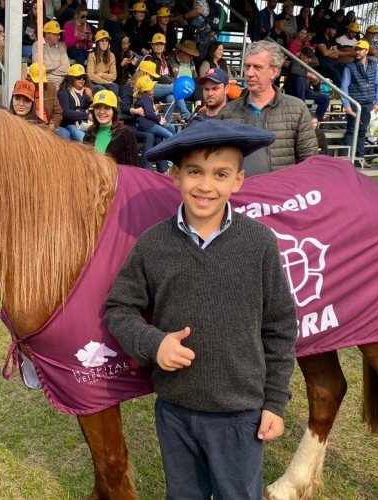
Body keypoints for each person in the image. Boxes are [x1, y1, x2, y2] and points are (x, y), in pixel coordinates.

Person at [105, 119, 297, 500]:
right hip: (176, 411)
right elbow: (118, 308)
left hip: (240, 415)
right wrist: (153, 343)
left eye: (220, 174)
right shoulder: (153, 243)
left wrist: (274, 402)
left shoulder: (259, 243)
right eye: (195, 172)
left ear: (238, 181)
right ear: (176, 175)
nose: (206, 185)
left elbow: (280, 327)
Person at [219, 40, 317, 176]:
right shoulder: (227, 111)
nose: (249, 73)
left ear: (273, 72)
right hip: (238, 194)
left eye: (257, 67)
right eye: (247, 67)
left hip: (280, 194)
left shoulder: (297, 109)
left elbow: (309, 163)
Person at [340, 40, 378, 160]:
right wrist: (346, 105)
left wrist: (377, 102)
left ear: (366, 51)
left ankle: (360, 157)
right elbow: (344, 87)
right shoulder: (350, 66)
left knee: (362, 131)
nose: (357, 51)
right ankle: (346, 159)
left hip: (368, 103)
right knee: (351, 130)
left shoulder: (374, 65)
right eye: (356, 49)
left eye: (360, 49)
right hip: (354, 103)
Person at [83, 90, 139, 166]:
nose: (102, 112)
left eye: (107, 107)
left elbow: (133, 167)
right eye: (98, 107)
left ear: (114, 111)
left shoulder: (126, 133)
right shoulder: (90, 132)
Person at [134, 75, 175, 170]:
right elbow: (148, 113)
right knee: (169, 135)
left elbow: (150, 112)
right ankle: (170, 159)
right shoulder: (145, 98)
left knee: (170, 128)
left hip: (150, 123)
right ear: (145, 90)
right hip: (148, 125)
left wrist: (157, 108)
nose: (153, 88)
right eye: (150, 88)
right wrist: (159, 119)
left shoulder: (147, 98)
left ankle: (172, 157)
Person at [284, 47, 329, 121]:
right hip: (292, 90)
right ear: (302, 55)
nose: (309, 60)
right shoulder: (295, 61)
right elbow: (294, 71)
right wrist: (309, 74)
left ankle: (317, 121)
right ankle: (303, 106)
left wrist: (315, 83)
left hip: (306, 92)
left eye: (310, 58)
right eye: (308, 57)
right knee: (300, 78)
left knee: (325, 98)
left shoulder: (309, 66)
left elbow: (315, 81)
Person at [27, 62, 70, 138]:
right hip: (31, 125)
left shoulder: (50, 88)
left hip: (48, 125)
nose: (39, 84)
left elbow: (58, 111)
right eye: (36, 81)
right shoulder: (24, 89)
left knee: (65, 134)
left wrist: (53, 123)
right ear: (28, 77)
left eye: (41, 81)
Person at [57, 64, 93, 142]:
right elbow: (66, 113)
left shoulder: (87, 91)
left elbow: (94, 109)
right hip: (70, 124)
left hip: (87, 123)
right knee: (82, 138)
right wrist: (86, 115)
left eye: (83, 77)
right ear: (71, 78)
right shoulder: (63, 92)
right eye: (78, 77)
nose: (82, 80)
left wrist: (91, 97)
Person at [32, 20, 69, 87]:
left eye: (59, 34)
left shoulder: (61, 46)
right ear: (47, 34)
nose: (59, 37)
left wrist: (48, 71)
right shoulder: (37, 45)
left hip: (61, 82)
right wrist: (58, 64)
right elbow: (38, 65)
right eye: (56, 34)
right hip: (46, 82)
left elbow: (67, 68)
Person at [86, 30, 119, 95]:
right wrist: (106, 81)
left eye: (106, 41)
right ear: (97, 43)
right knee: (99, 88)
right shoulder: (92, 55)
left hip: (106, 83)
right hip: (94, 84)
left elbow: (114, 76)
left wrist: (101, 74)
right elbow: (91, 76)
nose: (104, 43)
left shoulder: (111, 55)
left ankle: (114, 104)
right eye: (102, 41)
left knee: (114, 86)